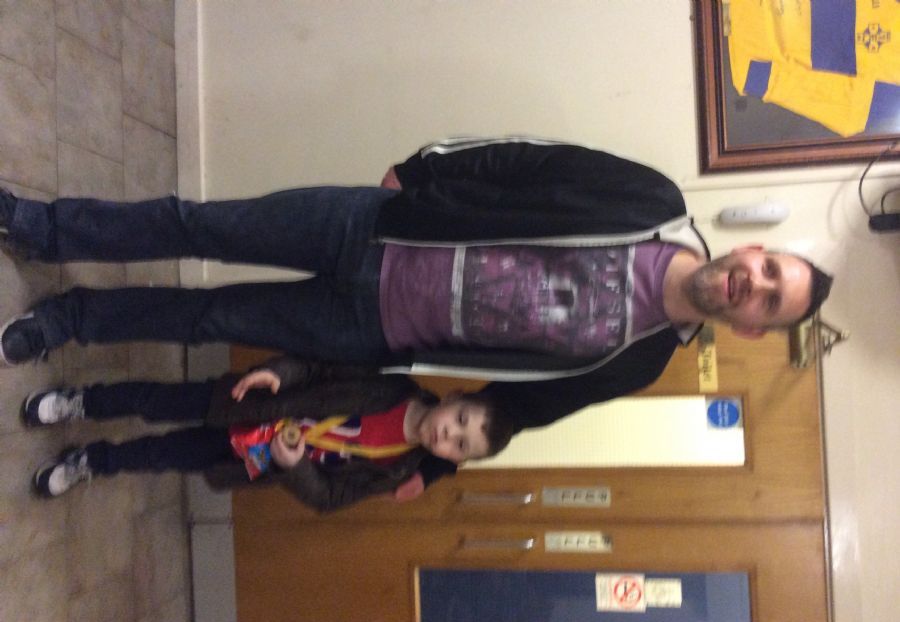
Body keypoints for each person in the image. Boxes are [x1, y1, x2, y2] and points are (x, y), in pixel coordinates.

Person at [0, 136, 833, 436]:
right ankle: (45, 229)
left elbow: (520, 410)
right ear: (752, 248)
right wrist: (425, 168)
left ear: (752, 329)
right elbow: (528, 160)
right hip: (376, 227)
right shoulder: (652, 200)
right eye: (767, 270)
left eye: (769, 301)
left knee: (209, 319)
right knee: (202, 226)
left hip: (369, 331)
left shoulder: (641, 362)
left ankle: (70, 320)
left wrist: (428, 451)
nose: (751, 285)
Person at [26, 355, 513, 511]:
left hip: (253, 455)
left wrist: (293, 466)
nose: (446, 435)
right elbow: (318, 366)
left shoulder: (397, 468)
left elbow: (329, 498)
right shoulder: (389, 382)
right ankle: (82, 402)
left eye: (459, 444)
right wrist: (277, 373)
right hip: (250, 402)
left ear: (456, 458)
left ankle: (92, 461)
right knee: (154, 401)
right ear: (452, 398)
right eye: (459, 420)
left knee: (163, 454)